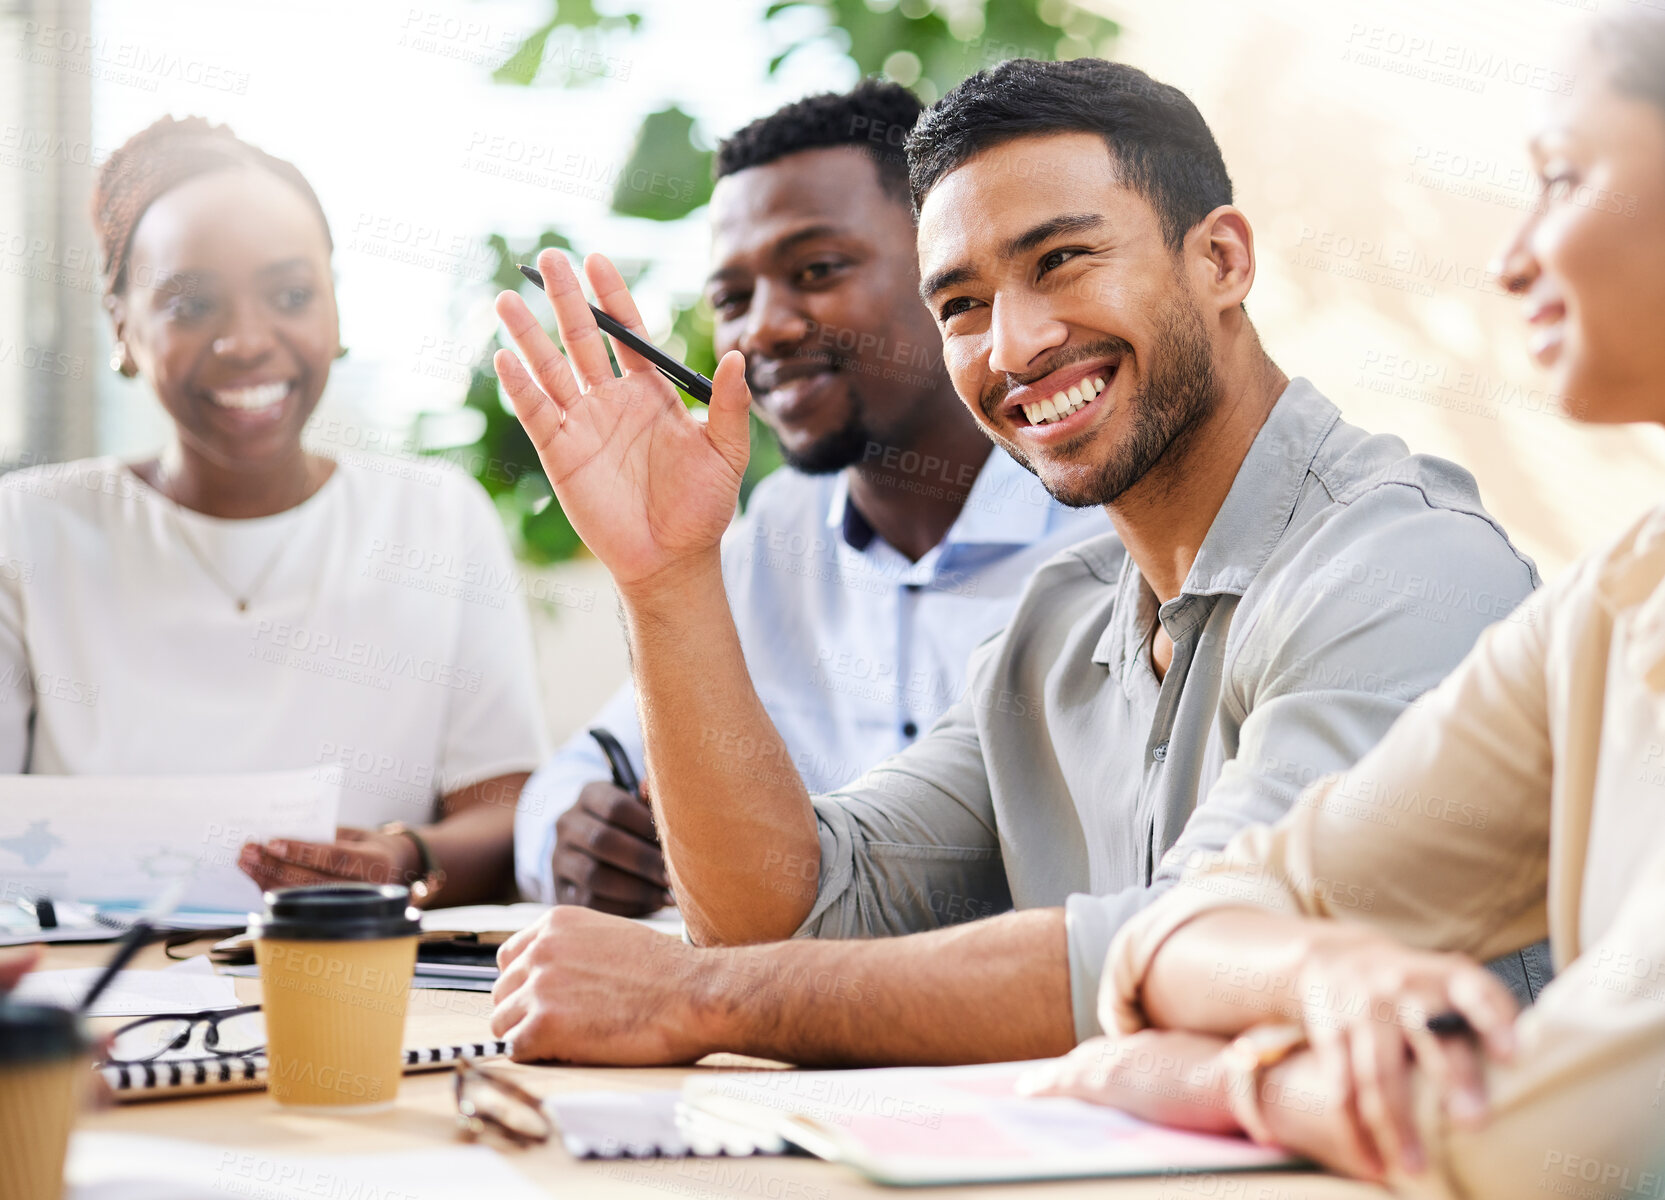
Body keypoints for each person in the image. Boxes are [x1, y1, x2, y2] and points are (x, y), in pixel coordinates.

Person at [485, 58, 1546, 1068]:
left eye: (1061, 261)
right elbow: (790, 912)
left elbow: (1207, 954)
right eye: (960, 305)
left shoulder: (1407, 570)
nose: (1014, 345)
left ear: (1221, 259)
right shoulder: (1065, 620)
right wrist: (667, 577)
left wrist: (692, 1000)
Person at [1025, 10, 1665, 1196]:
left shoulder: (1414, 557)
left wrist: (1229, 1084)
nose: (1510, 258)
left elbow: (1574, 1143)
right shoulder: (1619, 603)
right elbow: (1219, 908)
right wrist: (1319, 978)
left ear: (1221, 261)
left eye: (1566, 180)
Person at [515, 82, 1106, 912]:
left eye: (817, 269)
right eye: (731, 299)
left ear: (947, 267)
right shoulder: (771, 535)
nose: (762, 328)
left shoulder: (1107, 525)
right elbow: (586, 768)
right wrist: (570, 838)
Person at [0, 117, 545, 907]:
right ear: (122, 330)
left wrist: (400, 856)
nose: (247, 340)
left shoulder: (435, 522)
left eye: (290, 295)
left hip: (361, 988)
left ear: (335, 311)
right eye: (191, 304)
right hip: (88, 1008)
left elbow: (506, 807)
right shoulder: (27, 529)